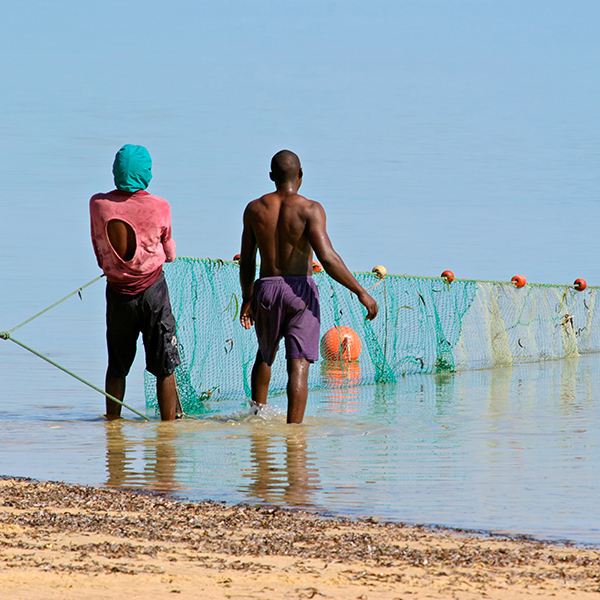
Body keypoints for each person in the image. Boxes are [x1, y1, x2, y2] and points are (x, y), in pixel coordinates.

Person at [239, 150, 378, 424]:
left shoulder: (254, 209)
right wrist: (361, 291)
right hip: (299, 291)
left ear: (271, 177)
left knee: (265, 355)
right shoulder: (309, 209)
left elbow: (246, 260)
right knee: (298, 363)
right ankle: (294, 432)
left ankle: (257, 419)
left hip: (265, 288)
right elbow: (327, 257)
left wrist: (247, 297)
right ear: (300, 174)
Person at [90, 144, 181, 421]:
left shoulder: (98, 204)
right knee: (164, 368)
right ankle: (167, 433)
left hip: (118, 295)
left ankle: (112, 426)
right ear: (146, 174)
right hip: (153, 292)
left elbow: (98, 246)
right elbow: (170, 253)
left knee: (117, 367)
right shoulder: (160, 206)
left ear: (116, 172)